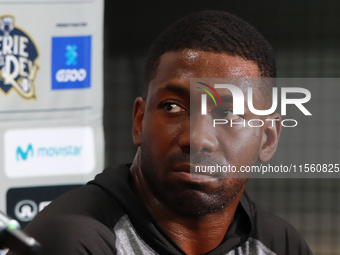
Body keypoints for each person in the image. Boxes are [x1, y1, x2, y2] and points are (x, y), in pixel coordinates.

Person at [10, 10, 312, 255]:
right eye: (172, 107)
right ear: (139, 121)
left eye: (229, 113)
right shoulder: (73, 241)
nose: (197, 139)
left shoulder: (279, 243)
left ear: (268, 138)